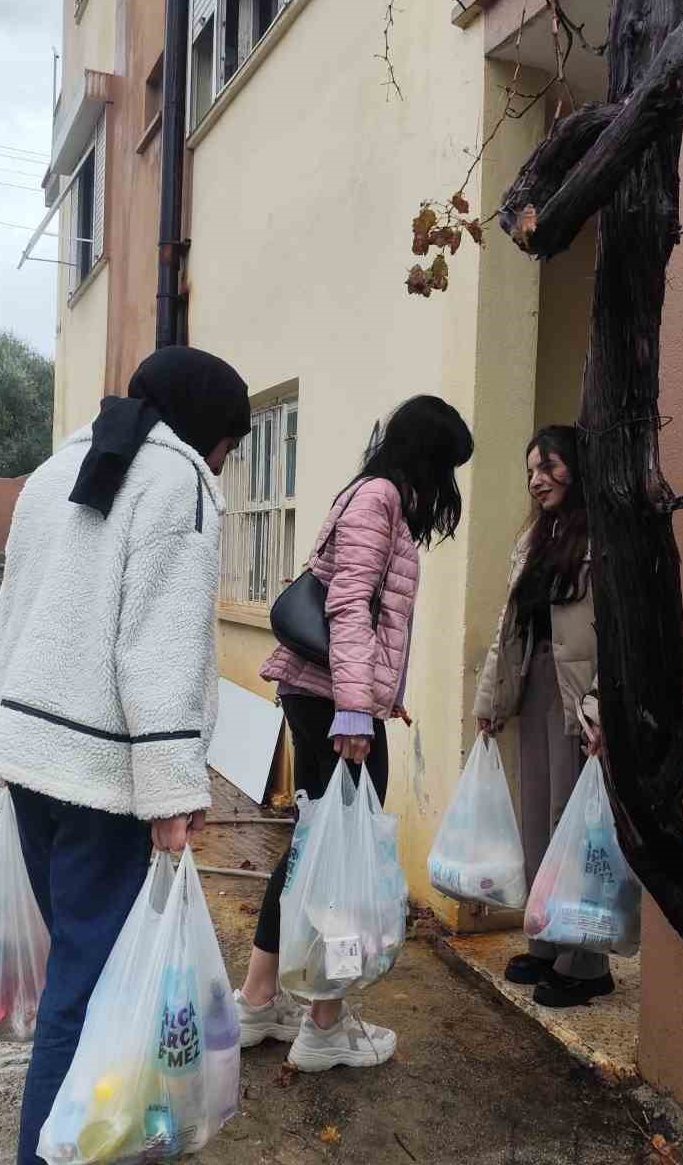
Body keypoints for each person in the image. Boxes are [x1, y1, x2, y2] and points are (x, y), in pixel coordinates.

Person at [0, 346, 250, 1165]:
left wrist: (4, 732)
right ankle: (56, 1152)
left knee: (78, 973)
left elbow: (11, 611)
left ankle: (89, 1138)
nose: (227, 460)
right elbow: (160, 646)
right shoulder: (178, 482)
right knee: (86, 995)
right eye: (233, 441)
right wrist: (173, 794)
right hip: (103, 780)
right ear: (211, 428)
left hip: (33, 761)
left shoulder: (58, 467)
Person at [237, 395, 475, 1071]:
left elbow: (361, 607)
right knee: (344, 859)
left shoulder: (374, 496)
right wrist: (354, 707)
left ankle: (260, 1001)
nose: (447, 486)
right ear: (424, 456)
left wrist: (373, 697)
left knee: (316, 849)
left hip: (325, 696)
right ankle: (324, 1026)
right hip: (332, 702)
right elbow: (348, 604)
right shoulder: (380, 500)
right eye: (446, 466)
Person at [473, 424, 634, 1009]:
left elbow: (620, 636)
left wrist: (600, 709)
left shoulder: (607, 540)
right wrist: (490, 703)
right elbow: (507, 628)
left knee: (576, 824)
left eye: (549, 467)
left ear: (579, 470)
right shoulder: (537, 537)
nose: (537, 481)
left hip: (579, 698)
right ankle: (545, 940)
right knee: (539, 818)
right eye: (532, 471)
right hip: (536, 684)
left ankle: (585, 962)